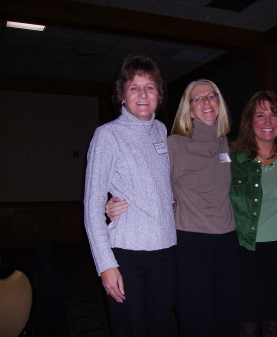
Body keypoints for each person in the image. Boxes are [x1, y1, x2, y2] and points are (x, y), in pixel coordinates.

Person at [106, 79, 241, 337]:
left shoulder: (228, 144)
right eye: (198, 99)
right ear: (189, 111)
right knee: (197, 321)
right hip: (192, 244)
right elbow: (150, 187)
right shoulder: (175, 145)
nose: (206, 102)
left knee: (228, 319)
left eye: (211, 96)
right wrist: (112, 202)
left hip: (227, 243)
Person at [84, 53, 177, 337]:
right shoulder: (107, 135)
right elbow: (91, 205)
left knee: (159, 329)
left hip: (166, 252)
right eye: (134, 87)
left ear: (159, 95)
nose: (142, 94)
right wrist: (106, 266)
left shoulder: (162, 130)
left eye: (149, 86)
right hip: (127, 255)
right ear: (122, 95)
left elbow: (163, 187)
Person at [230, 91, 277, 337]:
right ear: (250, 122)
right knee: (246, 326)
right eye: (260, 115)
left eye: (274, 115)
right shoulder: (233, 160)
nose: (268, 122)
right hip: (245, 252)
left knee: (275, 325)